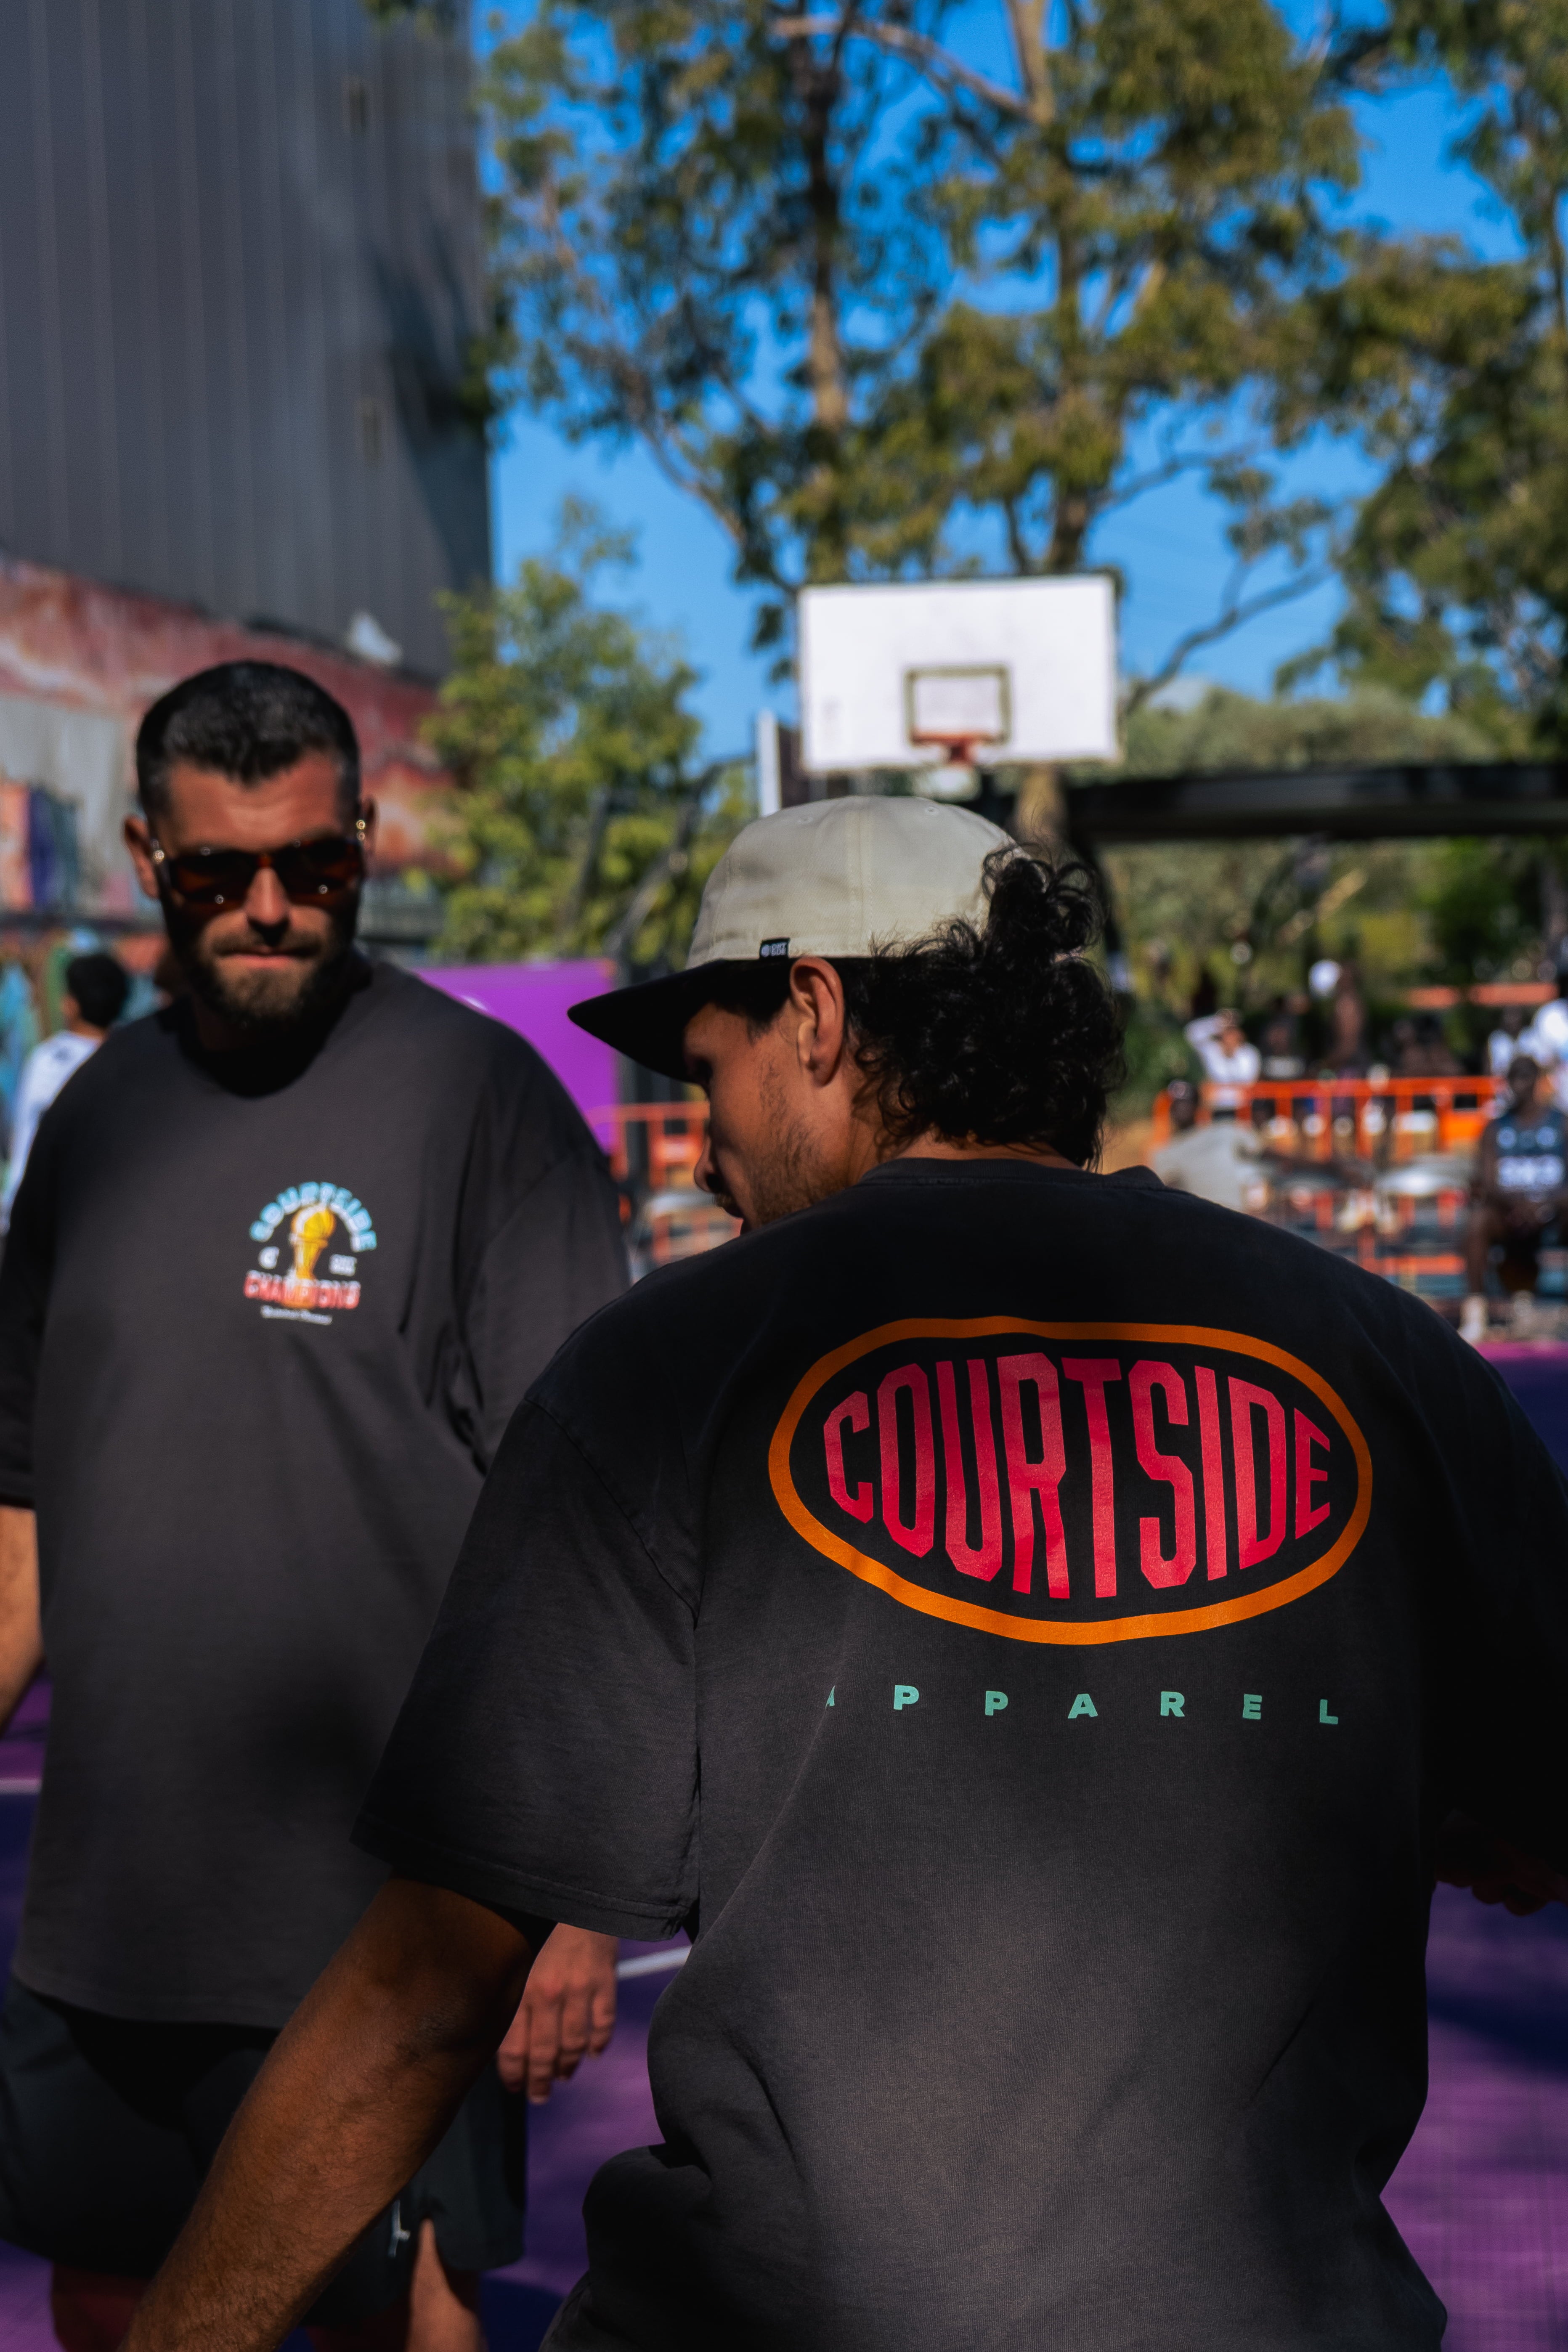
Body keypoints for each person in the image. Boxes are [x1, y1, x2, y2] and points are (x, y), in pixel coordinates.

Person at [122, 795, 1568, 2352]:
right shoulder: (1386, 1361)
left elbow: (418, 1997)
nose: (703, 1146)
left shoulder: (671, 1369)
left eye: (708, 1073)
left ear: (810, 1009)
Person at [0, 663, 629, 2352]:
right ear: (146, 856)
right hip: (111, 1908)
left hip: (388, 1919)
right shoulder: (96, 1121)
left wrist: (572, 1896)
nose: (269, 905)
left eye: (314, 864)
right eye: (218, 871)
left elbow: (594, 1532)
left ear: (364, 841)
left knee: (394, 2312)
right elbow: (21, 1510)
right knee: (113, 2302)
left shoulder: (480, 1105)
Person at [0, 954, 129, 1226]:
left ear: (70, 1004)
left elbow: (25, 1135)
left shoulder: (48, 1060)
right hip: (108, 1214)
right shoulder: (133, 1061)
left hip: (44, 1214)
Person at [1460, 1053, 1568, 1344]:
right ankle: (1475, 1314)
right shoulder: (1495, 1128)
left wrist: (1546, 1205)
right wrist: (1517, 1204)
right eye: (1513, 1078)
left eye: (1524, 1077)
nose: (1518, 1085)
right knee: (1478, 1221)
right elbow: (1487, 1182)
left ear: (1537, 1081)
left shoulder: (1561, 1123)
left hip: (1555, 1212)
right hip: (1509, 1213)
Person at [1150, 1076, 1262, 1211]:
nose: (1181, 1108)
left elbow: (1264, 1151)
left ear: (1197, 1105)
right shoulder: (1164, 1152)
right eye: (1176, 1104)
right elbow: (1168, 1196)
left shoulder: (1225, 1130)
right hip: (1202, 1220)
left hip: (1238, 1214)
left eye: (1187, 1103)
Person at [1182, 1005, 1259, 1108]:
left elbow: (1248, 1082)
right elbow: (1191, 1033)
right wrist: (1219, 1021)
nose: (1229, 1037)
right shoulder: (1211, 1050)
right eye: (1227, 1032)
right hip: (1215, 1107)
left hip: (1242, 1107)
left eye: (1233, 1032)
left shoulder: (1250, 1053)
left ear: (1240, 1034)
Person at [1486, 1003, 1531, 1079]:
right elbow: (1488, 1067)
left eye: (1516, 1015)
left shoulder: (1529, 1036)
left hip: (1527, 1082)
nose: (1513, 1019)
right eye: (1509, 1015)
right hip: (1502, 1084)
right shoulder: (1497, 1039)